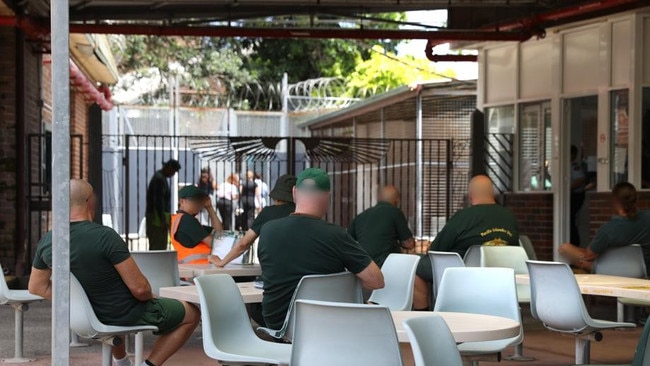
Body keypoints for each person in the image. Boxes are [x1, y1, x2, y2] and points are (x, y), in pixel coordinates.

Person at [29, 179, 199, 366]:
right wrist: (151, 297)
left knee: (114, 297)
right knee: (192, 313)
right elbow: (141, 290)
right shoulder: (105, 236)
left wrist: (80, 303)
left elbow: (36, 286)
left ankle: (122, 362)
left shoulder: (48, 240)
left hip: (81, 318)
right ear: (89, 201)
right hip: (123, 313)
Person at [258, 168, 385, 330]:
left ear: (295, 193)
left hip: (278, 324)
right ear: (327, 197)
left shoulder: (267, 231)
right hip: (326, 324)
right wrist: (343, 285)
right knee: (373, 308)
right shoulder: (336, 235)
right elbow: (376, 281)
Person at [412, 175, 519, 310]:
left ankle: (423, 313)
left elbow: (436, 250)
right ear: (493, 194)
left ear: (471, 195)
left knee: (416, 266)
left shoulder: (464, 217)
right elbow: (515, 251)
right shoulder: (508, 216)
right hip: (500, 274)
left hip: (463, 274)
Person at [559, 182, 650, 272]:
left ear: (615, 200)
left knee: (565, 248)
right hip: (642, 271)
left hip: (610, 271)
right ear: (636, 199)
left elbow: (589, 255)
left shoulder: (608, 229)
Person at [210, 174, 296, 267]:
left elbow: (244, 243)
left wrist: (222, 262)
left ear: (276, 197)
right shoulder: (304, 213)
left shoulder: (268, 212)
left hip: (273, 270)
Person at [348, 185, 415, 267]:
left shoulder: (361, 215)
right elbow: (408, 244)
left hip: (363, 266)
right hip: (387, 265)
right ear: (397, 199)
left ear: (379, 198)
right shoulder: (395, 213)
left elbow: (348, 240)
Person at [170, 185, 223, 264]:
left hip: (199, 268)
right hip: (201, 268)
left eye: (200, 200)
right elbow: (217, 244)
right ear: (182, 202)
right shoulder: (186, 220)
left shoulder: (182, 220)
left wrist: (209, 207)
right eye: (194, 200)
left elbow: (219, 233)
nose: (199, 204)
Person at [145, 159, 181, 250]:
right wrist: (162, 219)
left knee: (158, 244)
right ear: (168, 168)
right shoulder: (160, 179)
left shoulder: (160, 177)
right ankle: (157, 264)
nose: (173, 174)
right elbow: (158, 201)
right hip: (157, 218)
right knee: (158, 245)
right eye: (173, 171)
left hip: (156, 217)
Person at [570, 145, 587, 246]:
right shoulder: (565, 165)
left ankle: (575, 244)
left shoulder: (574, 166)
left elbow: (580, 180)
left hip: (575, 196)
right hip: (571, 196)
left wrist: (567, 189)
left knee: (570, 220)